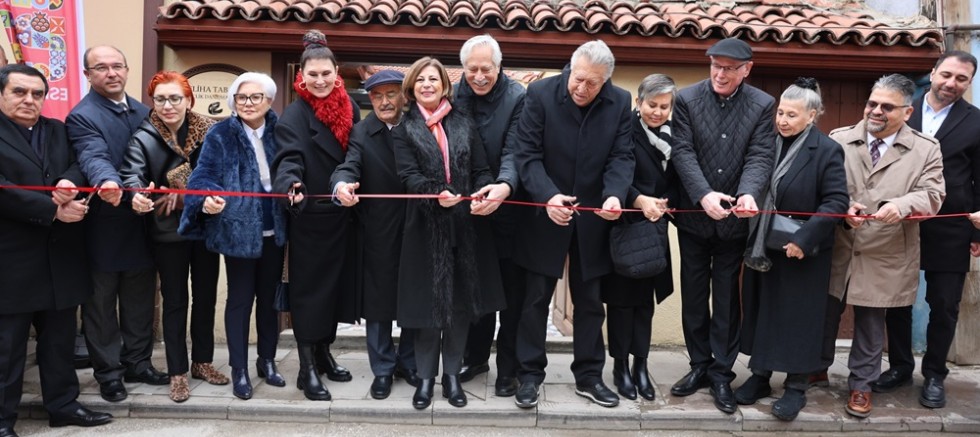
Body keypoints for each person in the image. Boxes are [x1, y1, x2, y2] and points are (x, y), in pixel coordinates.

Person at [512, 40, 633, 409]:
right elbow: (526, 155)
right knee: (534, 300)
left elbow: (621, 156)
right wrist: (548, 196)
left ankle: (589, 376)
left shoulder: (621, 102)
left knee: (591, 302)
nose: (581, 88)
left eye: (592, 83)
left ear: (606, 82)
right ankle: (529, 375)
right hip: (544, 212)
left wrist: (615, 195)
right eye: (577, 79)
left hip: (593, 217)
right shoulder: (541, 94)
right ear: (569, 68)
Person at [821, 73, 945, 418]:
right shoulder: (839, 139)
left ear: (907, 112)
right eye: (872, 103)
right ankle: (813, 367)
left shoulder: (926, 149)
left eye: (887, 107)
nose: (875, 111)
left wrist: (902, 205)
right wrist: (843, 205)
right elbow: (820, 182)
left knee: (871, 321)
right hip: (840, 243)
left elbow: (934, 195)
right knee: (823, 312)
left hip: (887, 248)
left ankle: (861, 384)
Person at [0, 63, 114, 437]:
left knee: (60, 341)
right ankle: (3, 421)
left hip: (61, 258)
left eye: (37, 93)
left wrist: (71, 181)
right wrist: (54, 210)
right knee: (8, 349)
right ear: (2, 93)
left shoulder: (57, 129)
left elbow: (78, 164)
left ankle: (63, 406)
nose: (29, 100)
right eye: (19, 92)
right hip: (12, 261)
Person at [390, 56, 506, 410]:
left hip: (466, 229)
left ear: (444, 86)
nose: (427, 84)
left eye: (434, 79)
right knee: (427, 309)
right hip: (424, 229)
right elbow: (408, 177)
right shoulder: (403, 129)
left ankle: (452, 377)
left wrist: (486, 188)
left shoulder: (463, 123)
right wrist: (434, 194)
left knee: (458, 308)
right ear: (412, 86)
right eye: (421, 79)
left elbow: (482, 169)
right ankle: (425, 378)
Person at [668, 37, 775, 414]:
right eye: (715, 65)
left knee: (727, 297)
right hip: (695, 217)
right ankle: (698, 365)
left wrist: (748, 193)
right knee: (694, 295)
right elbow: (681, 150)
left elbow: (761, 154)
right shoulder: (686, 99)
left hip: (734, 222)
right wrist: (703, 195)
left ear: (747, 70)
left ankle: (721, 372)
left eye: (729, 68)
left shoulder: (763, 105)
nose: (720, 73)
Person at [734, 78, 849, 421]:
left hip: (803, 249)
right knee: (764, 310)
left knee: (798, 318)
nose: (782, 120)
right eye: (780, 112)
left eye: (791, 115)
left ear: (812, 116)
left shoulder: (826, 150)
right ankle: (760, 376)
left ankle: (796, 386)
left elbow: (836, 201)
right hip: (764, 243)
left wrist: (804, 240)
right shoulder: (767, 144)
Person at [877, 51, 980, 409]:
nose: (952, 83)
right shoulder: (901, 111)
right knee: (896, 302)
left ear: (969, 83)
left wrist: (978, 233)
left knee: (945, 305)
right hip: (898, 220)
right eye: (947, 75)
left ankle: (935, 374)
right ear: (933, 73)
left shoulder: (976, 122)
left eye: (962, 79)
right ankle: (900, 367)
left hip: (951, 226)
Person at [66, 45, 168, 403]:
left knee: (140, 301)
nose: (111, 73)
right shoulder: (83, 116)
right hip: (105, 224)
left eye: (117, 66)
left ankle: (138, 363)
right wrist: (111, 185)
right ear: (87, 75)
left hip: (144, 224)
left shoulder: (146, 111)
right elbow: (93, 155)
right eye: (101, 67)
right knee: (101, 305)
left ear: (127, 70)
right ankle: (109, 373)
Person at [178, 72, 288, 401]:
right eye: (241, 98)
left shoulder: (282, 132)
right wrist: (208, 196)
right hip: (239, 228)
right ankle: (238, 368)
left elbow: (295, 168)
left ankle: (267, 361)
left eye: (255, 97)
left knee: (270, 301)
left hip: (275, 229)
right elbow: (203, 177)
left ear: (269, 100)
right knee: (240, 300)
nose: (248, 103)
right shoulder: (220, 133)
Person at [119, 71, 225, 403]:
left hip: (206, 227)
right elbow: (132, 175)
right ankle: (177, 371)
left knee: (206, 297)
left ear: (189, 100)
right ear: (153, 102)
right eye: (161, 99)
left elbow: (221, 172)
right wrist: (136, 194)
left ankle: (203, 362)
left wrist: (190, 193)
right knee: (176, 301)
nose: (168, 105)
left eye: (175, 98)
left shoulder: (210, 131)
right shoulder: (143, 137)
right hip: (168, 232)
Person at [271, 30, 360, 401]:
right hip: (311, 217)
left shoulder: (350, 107)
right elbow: (288, 157)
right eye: (313, 75)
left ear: (337, 72)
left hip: (345, 215)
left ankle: (324, 353)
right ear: (301, 77)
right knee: (310, 294)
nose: (320, 81)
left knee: (336, 291)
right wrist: (290, 183)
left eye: (326, 73)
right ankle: (306, 367)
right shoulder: (294, 114)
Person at [331, 69, 420, 400]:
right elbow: (348, 166)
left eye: (391, 94)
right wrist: (341, 185)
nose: (384, 101)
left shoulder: (418, 127)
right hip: (378, 230)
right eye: (377, 96)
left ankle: (408, 363)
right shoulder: (362, 132)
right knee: (379, 303)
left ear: (403, 96)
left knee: (412, 299)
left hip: (416, 227)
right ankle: (383, 369)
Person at [453, 34, 526, 397]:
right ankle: (476, 355)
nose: (479, 76)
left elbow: (517, 149)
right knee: (475, 290)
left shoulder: (518, 97)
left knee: (511, 295)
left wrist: (504, 186)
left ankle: (508, 368)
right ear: (463, 68)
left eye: (487, 69)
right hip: (467, 211)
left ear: (500, 66)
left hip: (509, 207)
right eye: (472, 69)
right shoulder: (454, 95)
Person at [600, 73, 677, 402]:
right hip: (625, 227)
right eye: (652, 105)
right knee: (621, 303)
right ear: (638, 102)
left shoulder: (673, 135)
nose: (657, 112)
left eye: (664, 106)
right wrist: (638, 199)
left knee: (645, 305)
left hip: (655, 230)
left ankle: (641, 365)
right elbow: (613, 171)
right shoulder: (624, 131)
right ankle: (620, 366)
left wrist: (668, 201)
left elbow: (676, 176)